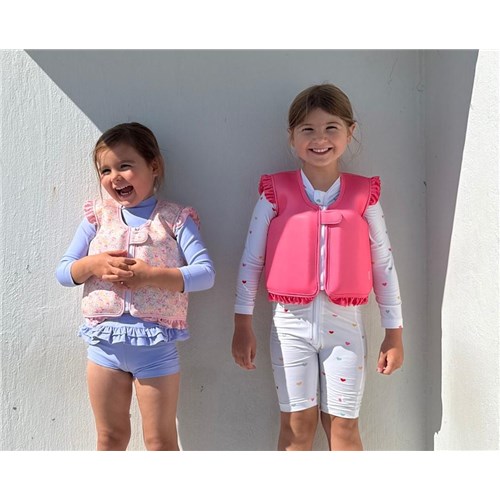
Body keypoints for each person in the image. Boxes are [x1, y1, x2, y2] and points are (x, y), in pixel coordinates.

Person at [232, 84, 403, 451]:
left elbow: (383, 264)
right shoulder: (274, 193)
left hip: (346, 326)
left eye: (331, 128)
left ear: (349, 132)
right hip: (289, 326)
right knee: (296, 429)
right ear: (291, 136)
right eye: (307, 129)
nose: (320, 139)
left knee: (344, 429)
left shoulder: (364, 195)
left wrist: (394, 332)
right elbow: (251, 259)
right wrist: (242, 323)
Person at [56, 122, 215, 451]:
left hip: (155, 348)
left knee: (160, 442)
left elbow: (205, 273)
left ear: (153, 166)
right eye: (105, 170)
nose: (114, 177)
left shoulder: (174, 219)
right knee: (110, 438)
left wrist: (150, 276)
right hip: (105, 346)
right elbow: (64, 272)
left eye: (125, 166)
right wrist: (93, 265)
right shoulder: (98, 217)